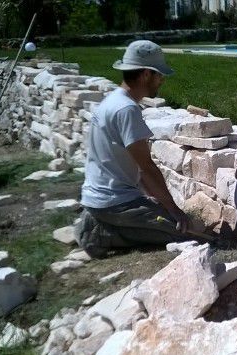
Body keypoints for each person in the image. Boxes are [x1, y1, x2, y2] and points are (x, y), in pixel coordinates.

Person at [75, 40, 191, 258]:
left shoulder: (113, 100)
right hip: (114, 202)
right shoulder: (127, 109)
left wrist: (156, 200)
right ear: (146, 74)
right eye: (159, 75)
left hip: (102, 197)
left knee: (170, 220)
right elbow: (146, 167)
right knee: (181, 230)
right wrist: (174, 210)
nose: (162, 80)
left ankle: (102, 222)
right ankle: (99, 234)